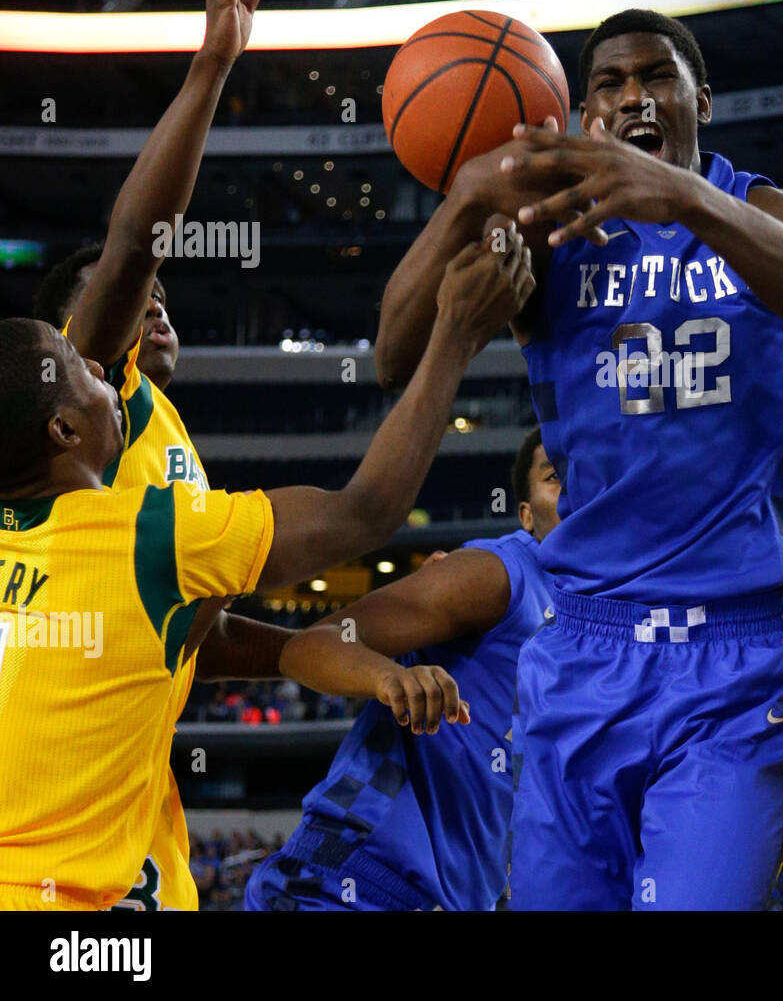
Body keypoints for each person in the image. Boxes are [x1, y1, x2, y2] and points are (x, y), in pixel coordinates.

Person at [375, 8, 783, 909]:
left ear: (702, 101)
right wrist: (468, 197)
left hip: (734, 661)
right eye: (608, 84)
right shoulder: (549, 233)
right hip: (582, 648)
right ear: (581, 118)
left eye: (657, 77)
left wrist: (687, 199)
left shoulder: (771, 214)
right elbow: (393, 358)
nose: (633, 96)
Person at [0, 228, 532, 910]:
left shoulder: (114, 481)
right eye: (80, 363)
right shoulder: (140, 521)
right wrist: (455, 333)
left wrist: (333, 658)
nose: (99, 367)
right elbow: (364, 511)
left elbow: (199, 635)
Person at [30, 0, 293, 911]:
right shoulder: (93, 386)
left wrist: (337, 649)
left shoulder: (164, 432)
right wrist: (210, 67)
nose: (156, 303)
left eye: (161, 298)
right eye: (134, 302)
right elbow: (139, 239)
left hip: (136, 795)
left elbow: (201, 629)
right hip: (68, 807)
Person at [244, 429, 560, 911]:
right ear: (525, 513)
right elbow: (311, 645)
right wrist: (384, 676)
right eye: (556, 477)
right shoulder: (498, 574)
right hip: (350, 878)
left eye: (588, 471)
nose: (578, 488)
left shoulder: (601, 627)